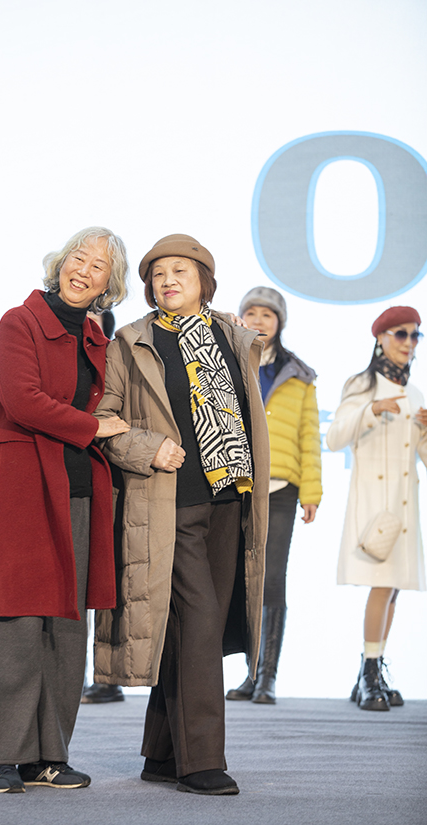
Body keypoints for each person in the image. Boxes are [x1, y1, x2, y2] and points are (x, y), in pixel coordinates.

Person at [93, 234, 269, 796]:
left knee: (198, 628)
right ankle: (202, 762)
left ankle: (164, 754)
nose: (168, 281)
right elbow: (103, 420)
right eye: (159, 274)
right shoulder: (130, 343)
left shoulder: (232, 337)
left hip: (229, 498)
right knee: (198, 626)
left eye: (181, 272)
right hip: (170, 505)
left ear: (204, 282)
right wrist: (149, 449)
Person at [0, 227, 130, 793]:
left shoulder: (96, 336)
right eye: (77, 258)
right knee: (15, 621)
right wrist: (92, 427)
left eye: (98, 266)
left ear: (109, 285)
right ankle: (1, 756)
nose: (83, 270)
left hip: (76, 489)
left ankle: (48, 756)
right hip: (21, 490)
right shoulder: (19, 322)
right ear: (60, 263)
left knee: (65, 626)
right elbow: (22, 400)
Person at [326, 306, 426, 711]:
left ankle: (375, 669)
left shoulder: (415, 392)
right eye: (401, 333)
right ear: (381, 338)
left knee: (394, 588)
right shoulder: (362, 384)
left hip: (404, 507)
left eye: (415, 335)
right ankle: (369, 673)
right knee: (382, 585)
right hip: (373, 505)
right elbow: (334, 437)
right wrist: (372, 410)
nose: (409, 342)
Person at [226, 287, 322, 704]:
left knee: (272, 578)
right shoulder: (227, 361)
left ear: (280, 322)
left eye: (268, 314)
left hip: (282, 488)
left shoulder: (299, 374)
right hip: (236, 484)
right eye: (252, 312)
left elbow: (309, 436)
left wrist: (312, 491)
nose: (260, 320)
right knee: (239, 578)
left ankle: (266, 677)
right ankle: (249, 674)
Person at [81, 308, 124, 705]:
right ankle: (84, 676)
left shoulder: (116, 362)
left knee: (109, 586)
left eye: (96, 319)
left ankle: (107, 678)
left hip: (114, 483)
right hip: (80, 481)